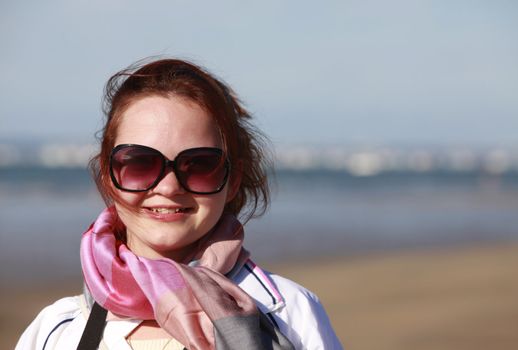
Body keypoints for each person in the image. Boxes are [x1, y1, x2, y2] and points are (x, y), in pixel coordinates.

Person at [16, 58, 342, 350]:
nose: (168, 187)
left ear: (233, 180)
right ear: (108, 174)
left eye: (199, 164)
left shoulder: (287, 313)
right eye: (141, 163)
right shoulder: (56, 331)